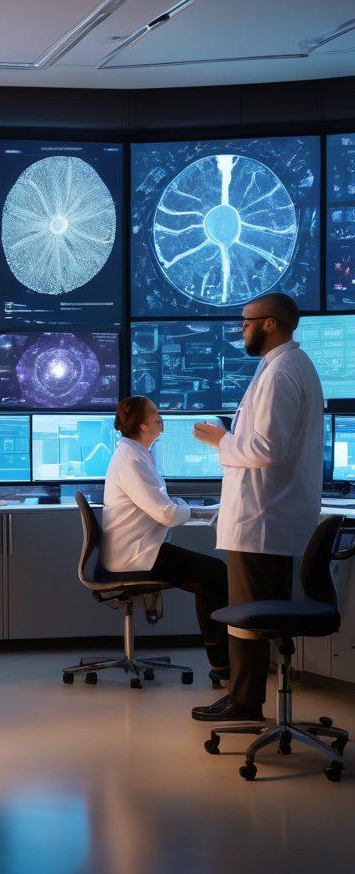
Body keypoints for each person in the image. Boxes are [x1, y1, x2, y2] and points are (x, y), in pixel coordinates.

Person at [190, 292, 324, 722]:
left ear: (270, 323)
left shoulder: (283, 372)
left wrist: (220, 441)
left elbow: (267, 449)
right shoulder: (282, 367)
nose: (241, 329)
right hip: (267, 517)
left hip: (262, 520)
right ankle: (243, 698)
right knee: (251, 618)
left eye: (245, 322)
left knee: (247, 619)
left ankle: (244, 704)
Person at [102, 395, 229, 678]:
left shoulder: (138, 452)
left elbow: (167, 508)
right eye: (156, 414)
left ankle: (223, 661)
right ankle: (224, 664)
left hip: (142, 548)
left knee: (211, 576)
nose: (161, 418)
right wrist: (190, 510)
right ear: (142, 425)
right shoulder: (132, 460)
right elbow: (167, 514)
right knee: (216, 575)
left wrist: (202, 511)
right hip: (138, 555)